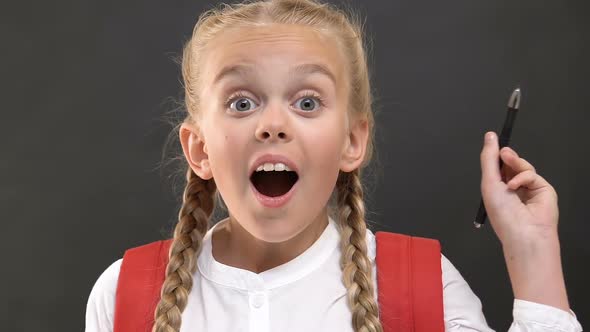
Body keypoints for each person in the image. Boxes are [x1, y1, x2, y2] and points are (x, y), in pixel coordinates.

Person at [85, 0, 584, 331]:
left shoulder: (425, 288)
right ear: (200, 150)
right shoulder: (123, 294)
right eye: (241, 103)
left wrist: (534, 250)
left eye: (306, 102)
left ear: (351, 141)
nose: (273, 124)